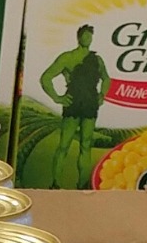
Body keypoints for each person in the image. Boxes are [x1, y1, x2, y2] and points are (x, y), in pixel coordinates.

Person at [40, 25, 108, 187]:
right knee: (64, 144)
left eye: (90, 36)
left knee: (86, 144)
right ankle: (55, 184)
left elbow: (106, 78)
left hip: (90, 104)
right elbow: (46, 77)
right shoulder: (67, 57)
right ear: (79, 37)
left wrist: (102, 94)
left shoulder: (97, 59)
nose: (88, 38)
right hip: (73, 103)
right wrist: (57, 98)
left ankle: (82, 184)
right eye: (85, 35)